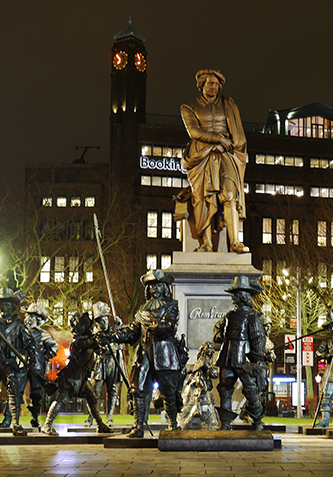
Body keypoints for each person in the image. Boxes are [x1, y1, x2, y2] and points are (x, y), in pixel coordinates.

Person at [101, 269, 185, 438]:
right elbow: (132, 332)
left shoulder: (171, 305)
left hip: (164, 355)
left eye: (158, 286)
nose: (155, 289)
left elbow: (170, 327)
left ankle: (173, 424)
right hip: (144, 355)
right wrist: (113, 335)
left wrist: (159, 327)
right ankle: (138, 426)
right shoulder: (142, 310)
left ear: (164, 287)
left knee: (169, 392)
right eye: (151, 286)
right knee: (139, 389)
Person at [181, 69, 248, 253]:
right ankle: (206, 244)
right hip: (201, 156)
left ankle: (235, 242)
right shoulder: (189, 108)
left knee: (230, 194)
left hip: (225, 154)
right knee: (202, 198)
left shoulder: (228, 104)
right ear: (201, 84)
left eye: (217, 84)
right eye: (210, 83)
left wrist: (228, 144)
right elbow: (194, 132)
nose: (214, 87)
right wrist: (218, 139)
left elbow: (238, 134)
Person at [41, 312, 112, 436]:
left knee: (92, 399)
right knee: (61, 401)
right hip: (71, 379)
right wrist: (99, 336)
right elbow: (89, 343)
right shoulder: (79, 341)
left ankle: (100, 425)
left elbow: (98, 347)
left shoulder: (89, 340)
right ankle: (47, 425)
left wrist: (105, 338)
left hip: (83, 379)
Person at [0, 288, 37, 435]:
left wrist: (31, 360)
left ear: (12, 308)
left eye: (8, 305)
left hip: (10, 361)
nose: (5, 308)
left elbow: (29, 344)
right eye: (2, 305)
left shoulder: (18, 326)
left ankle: (15, 424)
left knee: (14, 392)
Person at [213, 276, 266, 430]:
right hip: (227, 356)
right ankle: (225, 423)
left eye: (236, 294)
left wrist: (257, 359)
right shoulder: (229, 316)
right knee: (225, 390)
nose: (233, 297)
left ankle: (257, 422)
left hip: (244, 358)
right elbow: (217, 329)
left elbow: (258, 339)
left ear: (243, 296)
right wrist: (219, 335)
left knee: (251, 390)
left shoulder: (252, 317)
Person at [86, 302, 124, 428]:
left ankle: (110, 417)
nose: (105, 321)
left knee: (113, 390)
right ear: (97, 321)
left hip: (113, 363)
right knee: (94, 391)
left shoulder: (114, 331)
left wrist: (120, 328)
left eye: (107, 318)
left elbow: (122, 343)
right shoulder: (94, 333)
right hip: (100, 363)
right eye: (102, 319)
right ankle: (91, 417)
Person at [22, 301, 58, 429]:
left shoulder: (43, 334)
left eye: (31, 316)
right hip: (21, 366)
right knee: (16, 390)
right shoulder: (22, 332)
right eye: (27, 316)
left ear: (37, 320)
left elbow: (55, 346)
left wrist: (44, 357)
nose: (28, 319)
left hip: (37, 367)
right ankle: (10, 419)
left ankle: (35, 417)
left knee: (36, 394)